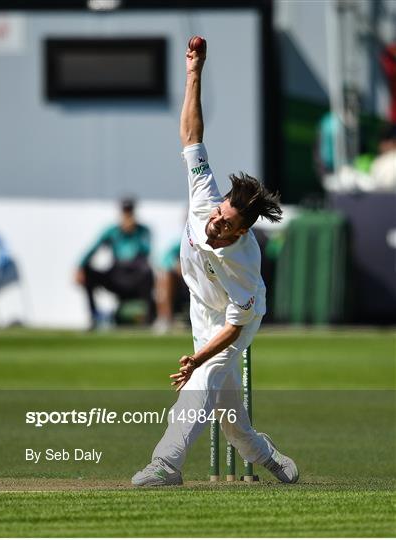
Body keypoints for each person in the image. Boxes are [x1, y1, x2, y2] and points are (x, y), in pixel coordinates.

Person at [132, 37, 299, 486]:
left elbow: (233, 326)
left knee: (201, 384)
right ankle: (266, 457)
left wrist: (197, 358)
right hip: (200, 306)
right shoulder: (206, 196)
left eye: (226, 224)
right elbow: (192, 136)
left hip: (235, 320)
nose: (215, 223)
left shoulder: (244, 261)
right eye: (220, 213)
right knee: (230, 417)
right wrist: (194, 71)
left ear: (242, 231)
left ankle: (165, 465)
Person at [75, 198, 154, 329]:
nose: (127, 214)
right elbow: (93, 248)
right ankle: (94, 317)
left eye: (130, 211)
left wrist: (133, 233)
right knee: (87, 272)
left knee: (147, 272)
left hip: (135, 276)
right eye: (125, 211)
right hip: (116, 274)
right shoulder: (112, 231)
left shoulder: (143, 231)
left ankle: (148, 319)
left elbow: (146, 251)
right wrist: (79, 266)